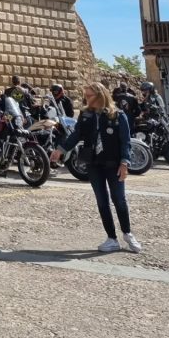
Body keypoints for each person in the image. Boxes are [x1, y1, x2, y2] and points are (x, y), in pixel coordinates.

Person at [51, 82, 141, 253]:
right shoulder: (85, 114)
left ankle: (128, 233)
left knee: (119, 200)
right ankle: (111, 238)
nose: (87, 98)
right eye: (86, 94)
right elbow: (76, 135)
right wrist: (60, 150)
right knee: (102, 201)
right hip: (94, 164)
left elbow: (126, 142)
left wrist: (124, 163)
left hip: (113, 163)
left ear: (100, 95)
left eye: (90, 95)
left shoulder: (118, 115)